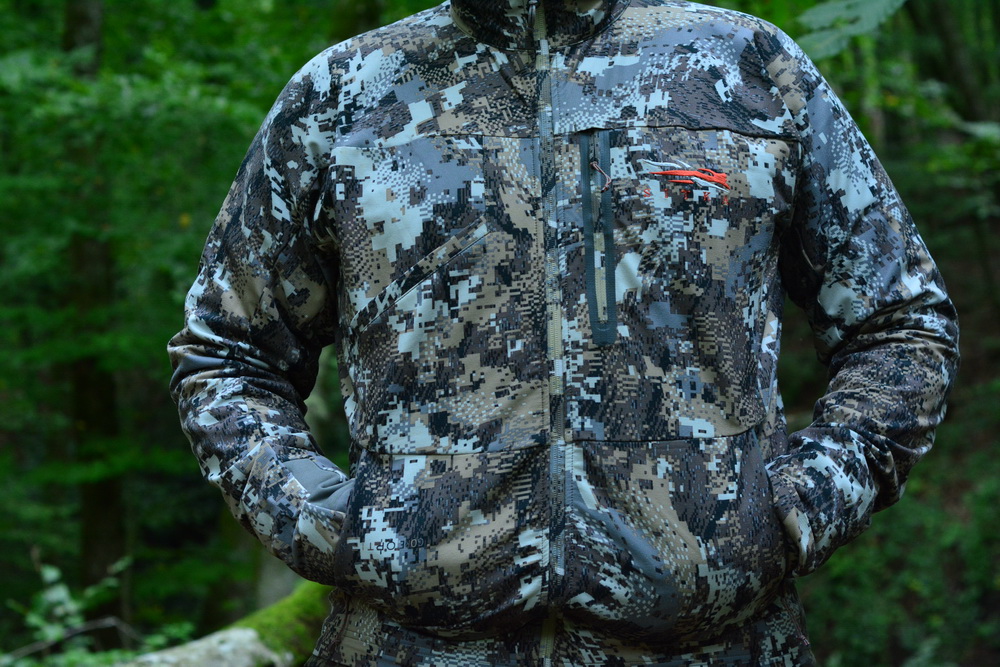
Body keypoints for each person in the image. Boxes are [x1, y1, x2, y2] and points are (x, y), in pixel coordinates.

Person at [168, 0, 960, 664]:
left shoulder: (746, 71)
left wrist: (793, 510)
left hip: (717, 646)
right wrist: (327, 522)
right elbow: (227, 352)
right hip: (409, 646)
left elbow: (900, 323)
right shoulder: (342, 96)